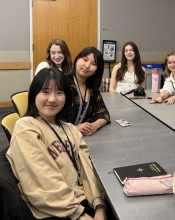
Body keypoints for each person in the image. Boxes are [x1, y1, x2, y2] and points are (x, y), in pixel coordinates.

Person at [6, 68, 108, 220]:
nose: (52, 99)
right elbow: (43, 179)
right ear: (34, 95)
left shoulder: (71, 129)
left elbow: (86, 168)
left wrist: (100, 206)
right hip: (54, 210)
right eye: (45, 92)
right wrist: (79, 214)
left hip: (83, 203)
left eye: (59, 92)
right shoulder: (26, 127)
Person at [66, 47, 110, 136]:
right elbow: (49, 117)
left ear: (96, 70)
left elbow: (104, 114)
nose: (87, 66)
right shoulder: (61, 83)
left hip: (83, 139)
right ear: (77, 60)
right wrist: (74, 129)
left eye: (93, 64)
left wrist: (94, 126)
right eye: (85, 60)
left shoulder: (92, 89)